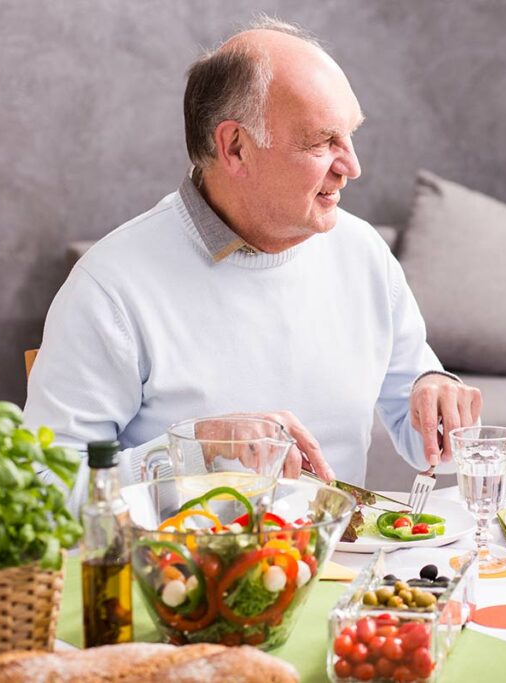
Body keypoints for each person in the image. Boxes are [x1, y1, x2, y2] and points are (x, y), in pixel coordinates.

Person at [25, 18, 481, 510]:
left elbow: (427, 438)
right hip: (182, 577)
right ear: (236, 148)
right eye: (322, 141)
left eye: (349, 136)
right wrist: (193, 452)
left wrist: (437, 392)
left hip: (341, 572)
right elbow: (44, 493)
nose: (352, 165)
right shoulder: (111, 285)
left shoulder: (362, 251)